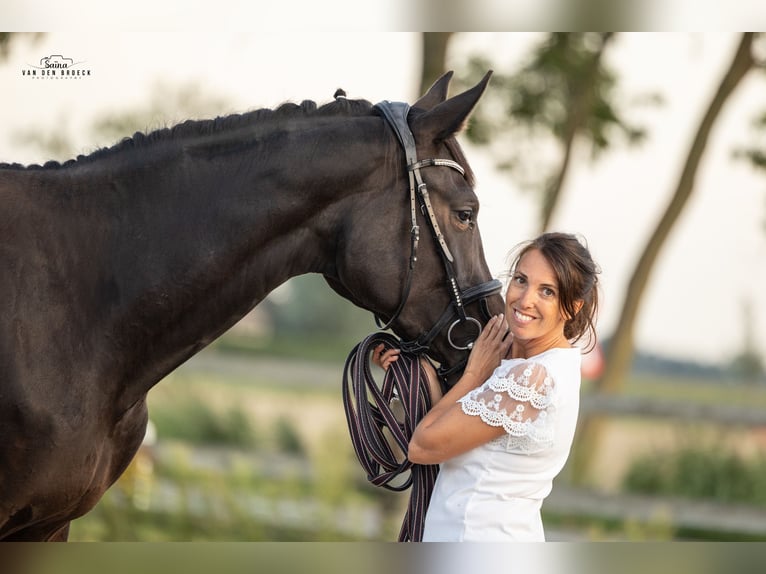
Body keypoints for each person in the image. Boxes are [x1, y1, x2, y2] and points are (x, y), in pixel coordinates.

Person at [373, 232, 600, 541]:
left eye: (546, 291)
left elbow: (423, 446)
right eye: (521, 280)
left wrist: (474, 374)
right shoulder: (541, 367)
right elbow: (454, 426)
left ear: (571, 307)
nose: (525, 299)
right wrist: (413, 369)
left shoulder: (531, 379)